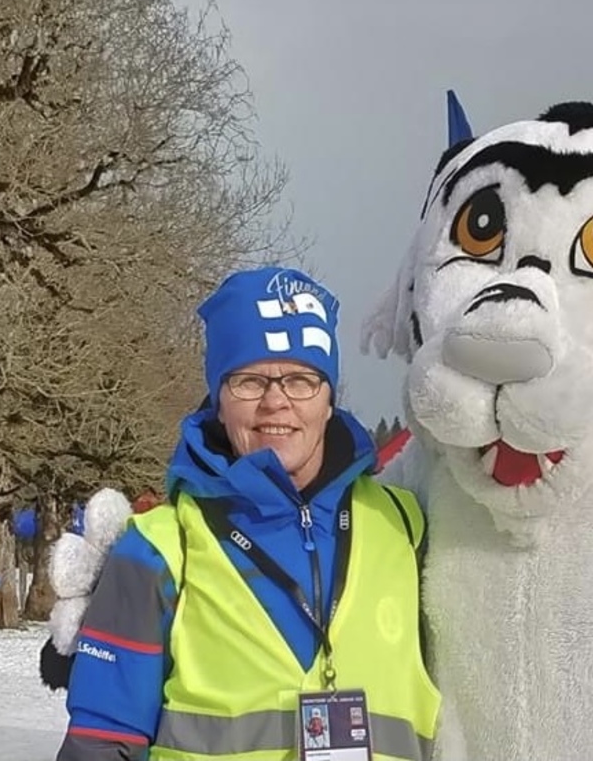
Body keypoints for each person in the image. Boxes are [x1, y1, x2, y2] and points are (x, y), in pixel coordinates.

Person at [55, 266, 440, 761]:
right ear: (219, 401)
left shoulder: (408, 527)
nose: (276, 402)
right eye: (249, 381)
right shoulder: (159, 549)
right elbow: (102, 743)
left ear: (329, 399)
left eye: (301, 380)